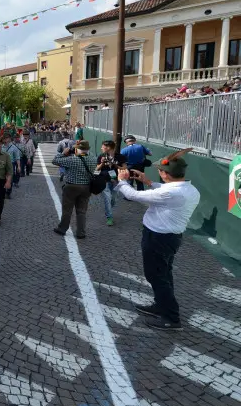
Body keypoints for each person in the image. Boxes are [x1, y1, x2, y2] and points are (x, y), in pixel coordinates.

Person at [115, 149, 200, 331]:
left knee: (156, 276)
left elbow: (133, 195)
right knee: (164, 274)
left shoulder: (171, 193)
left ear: (165, 174)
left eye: (160, 171)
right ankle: (160, 306)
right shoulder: (189, 188)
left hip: (158, 238)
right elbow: (166, 190)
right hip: (169, 238)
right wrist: (148, 182)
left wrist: (122, 181)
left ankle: (171, 318)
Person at [52, 140, 98, 240]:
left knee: (67, 210)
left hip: (71, 187)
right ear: (88, 149)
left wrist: (63, 153)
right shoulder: (93, 159)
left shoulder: (72, 160)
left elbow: (55, 160)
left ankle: (62, 229)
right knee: (81, 211)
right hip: (86, 187)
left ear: (77, 149)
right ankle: (81, 232)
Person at [96, 140, 127, 226]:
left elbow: (124, 167)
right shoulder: (101, 156)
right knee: (107, 198)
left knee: (113, 199)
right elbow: (96, 170)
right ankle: (109, 217)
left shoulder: (120, 157)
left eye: (103, 147)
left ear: (108, 148)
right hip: (104, 179)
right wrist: (102, 163)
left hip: (115, 180)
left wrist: (115, 165)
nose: (101, 148)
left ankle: (108, 209)